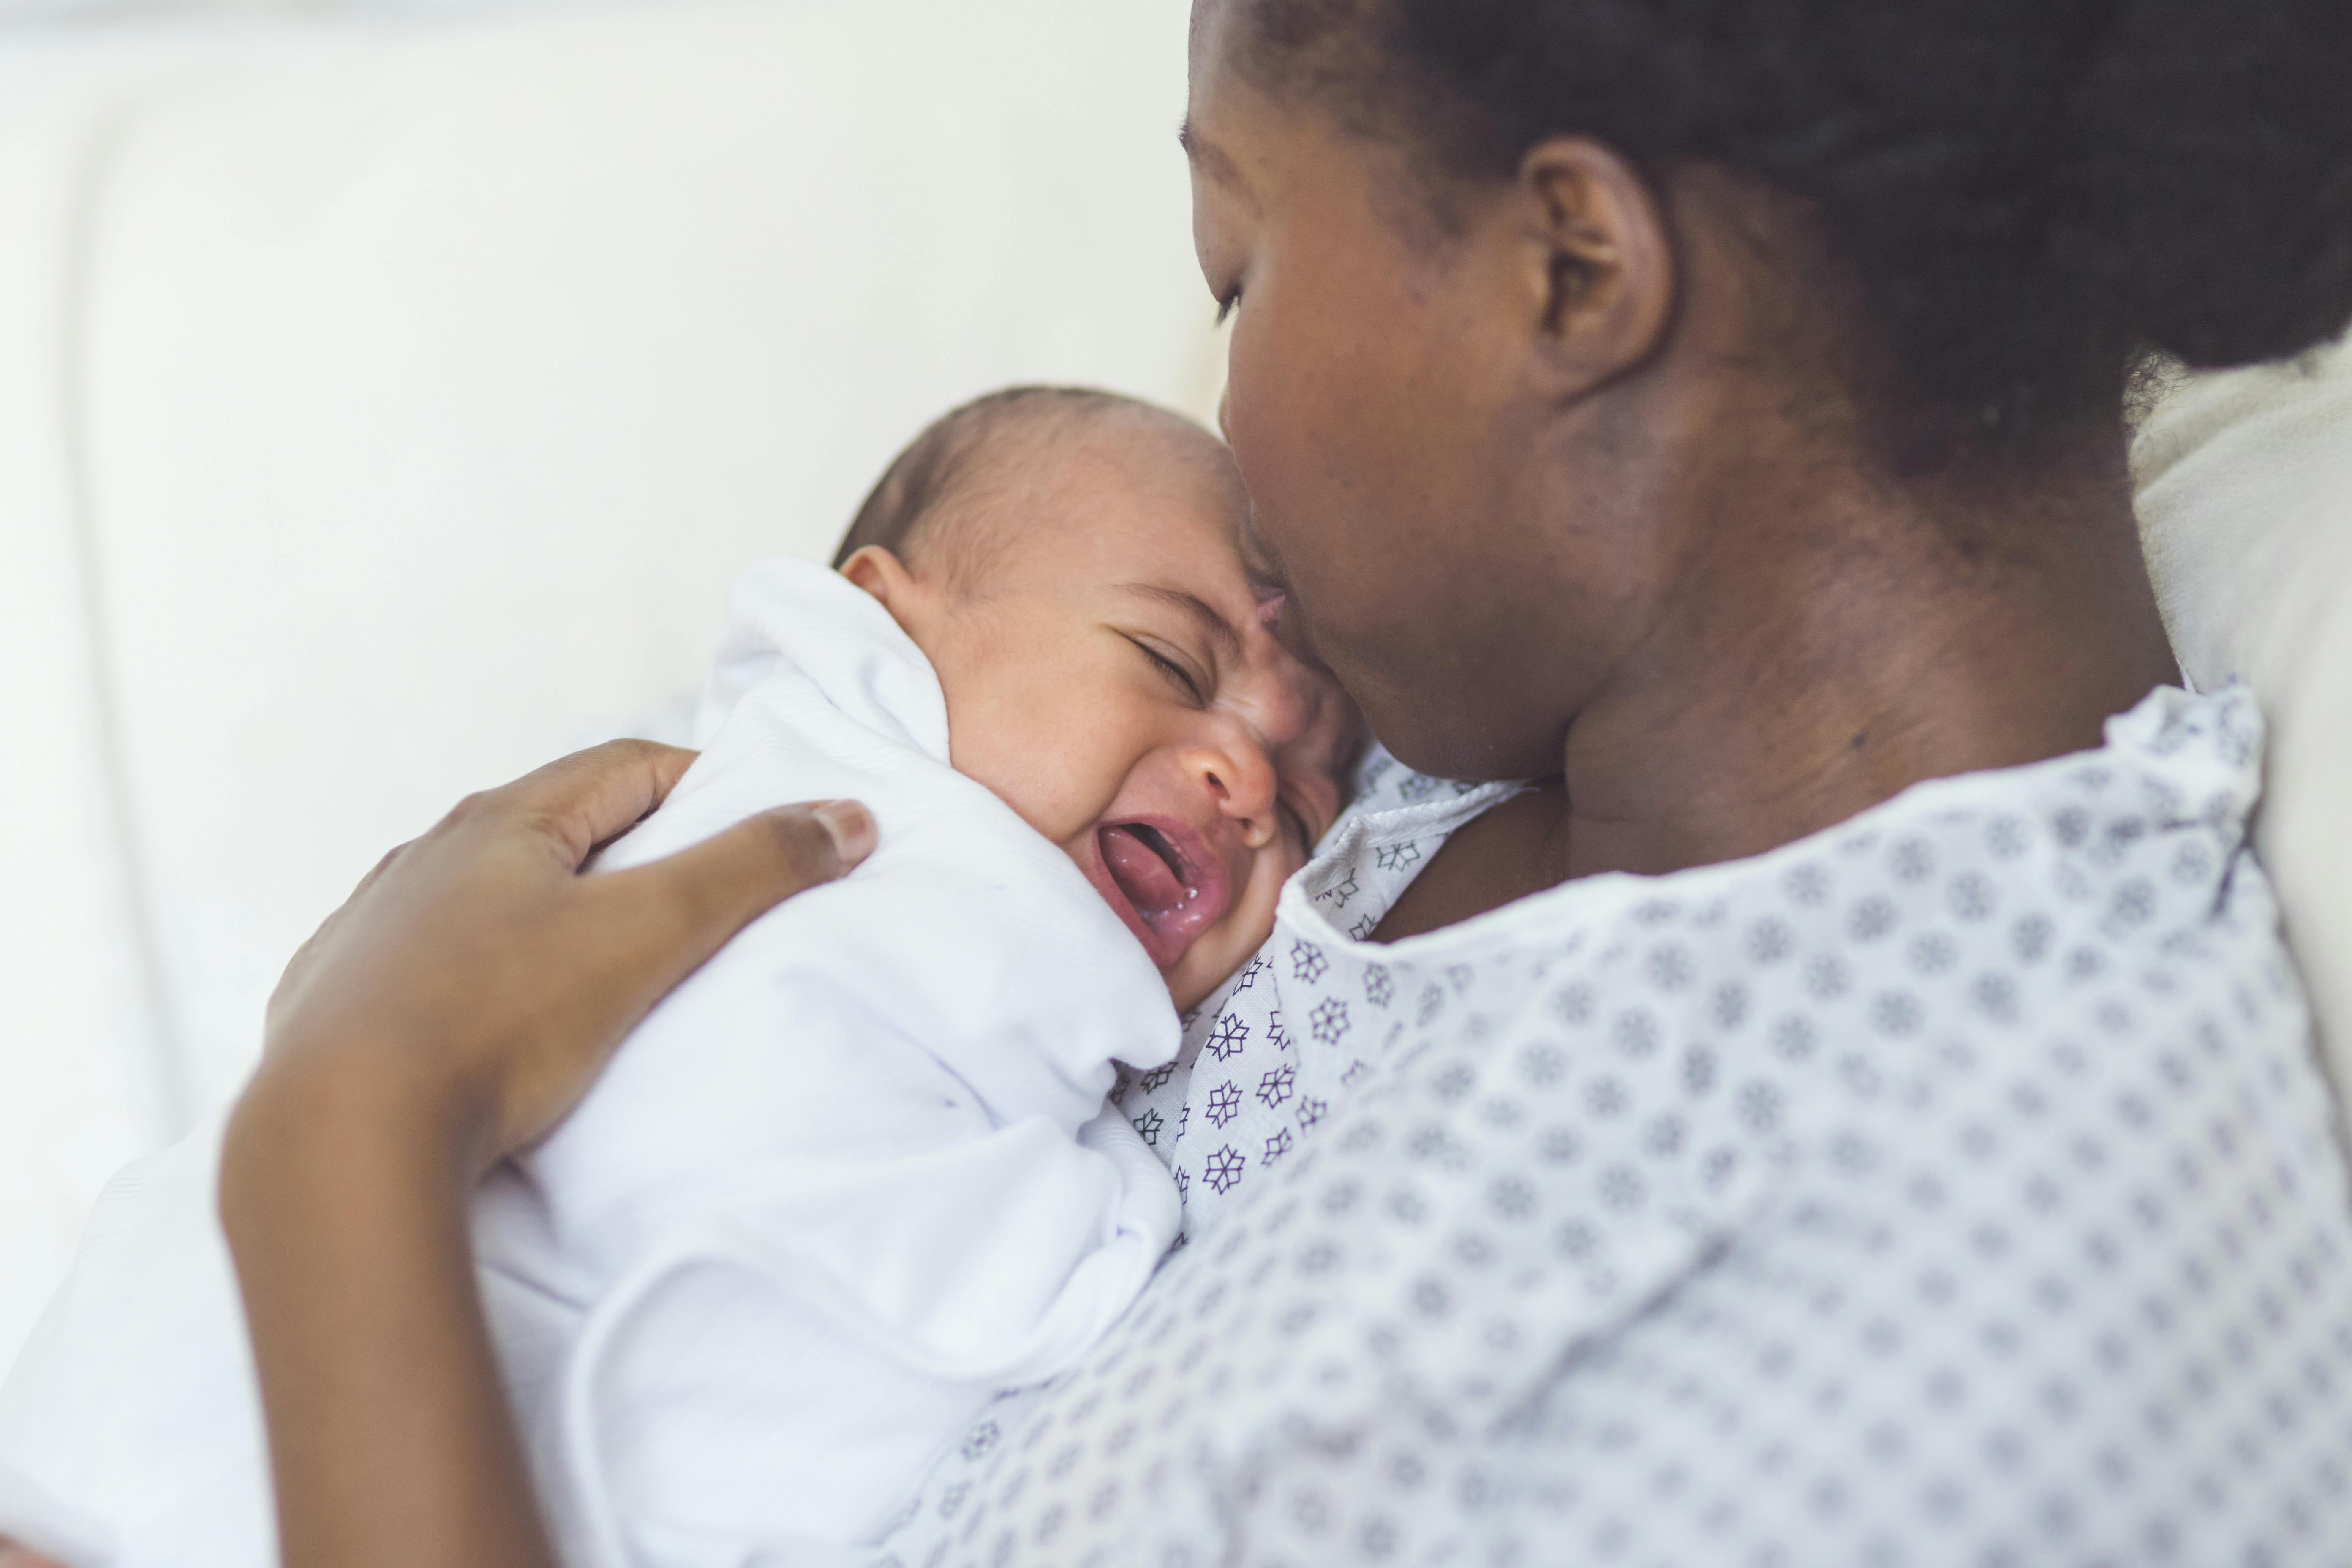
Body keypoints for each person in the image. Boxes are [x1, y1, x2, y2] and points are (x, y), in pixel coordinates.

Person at [10, 0, 2352, 1564]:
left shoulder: (1958, 1303)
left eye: (1235, 257)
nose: (1215, 406)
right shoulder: (1487, 772)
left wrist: (364, 1116)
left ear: (1572, 268)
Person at [0, 389, 1352, 1568]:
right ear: (882, 625)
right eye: (1172, 663)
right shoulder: (807, 802)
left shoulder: (1121, 1066)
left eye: (1305, 804)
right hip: (164, 1465)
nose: (1245, 787)